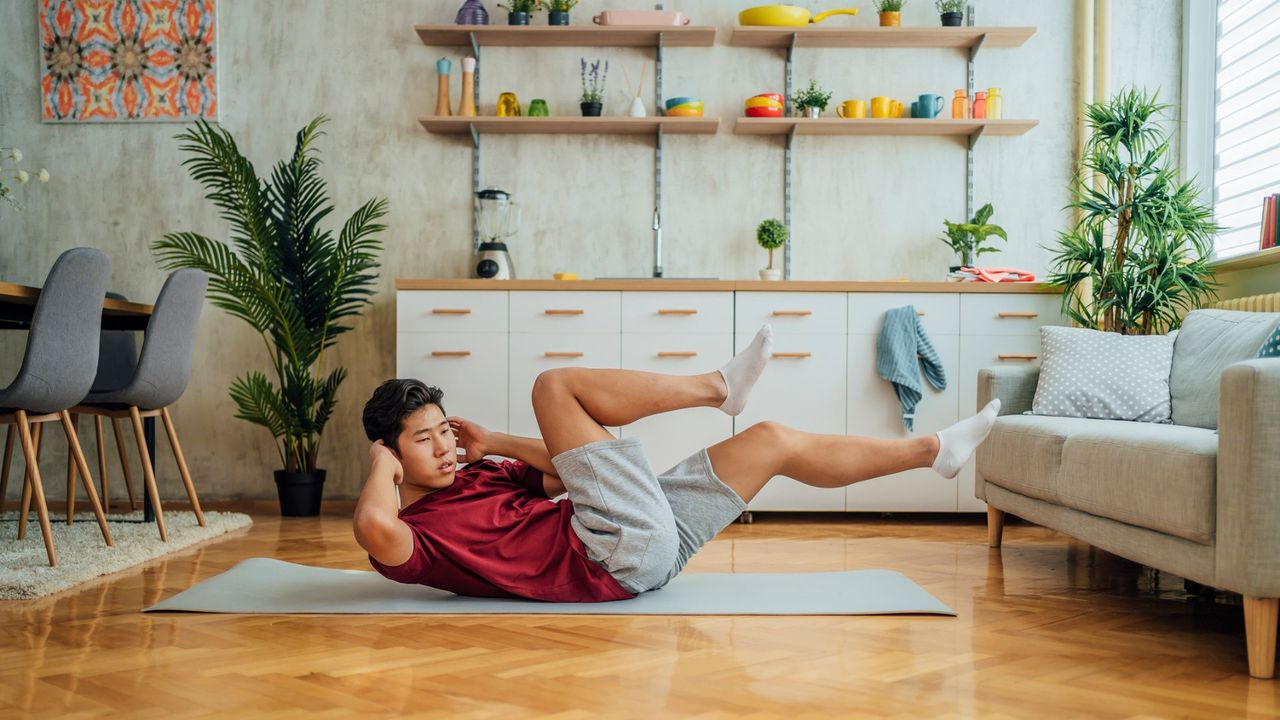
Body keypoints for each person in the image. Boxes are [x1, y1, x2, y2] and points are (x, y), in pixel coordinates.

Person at [354, 325, 1001, 602]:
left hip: (633, 545)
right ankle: (716, 389)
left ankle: (934, 453)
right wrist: (381, 466)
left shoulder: (480, 472)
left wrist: (493, 439)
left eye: (445, 431)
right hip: (609, 550)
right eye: (424, 440)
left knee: (771, 437)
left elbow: (564, 469)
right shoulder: (423, 535)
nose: (445, 448)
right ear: (389, 452)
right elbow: (375, 532)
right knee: (554, 386)